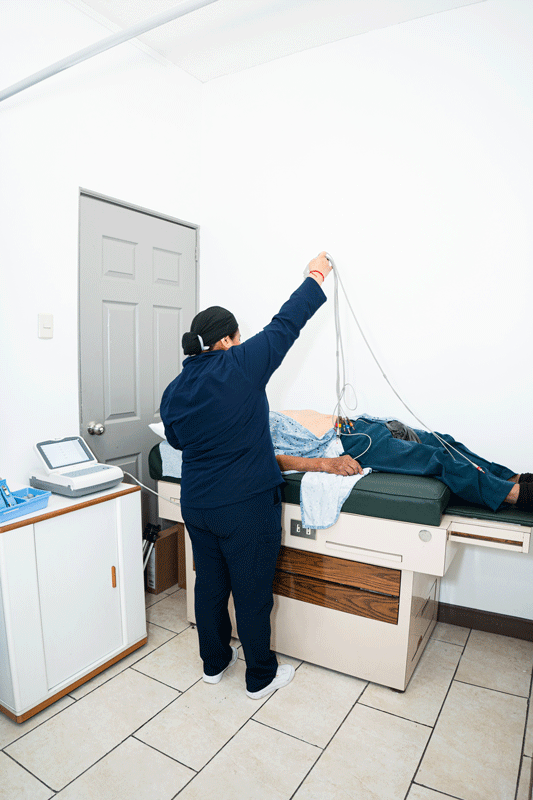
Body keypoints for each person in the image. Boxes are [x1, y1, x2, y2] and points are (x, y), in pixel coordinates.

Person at [160, 253, 332, 699]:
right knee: (252, 592)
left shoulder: (174, 390)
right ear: (225, 340)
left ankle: (214, 663)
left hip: (198, 506)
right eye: (237, 336)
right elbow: (286, 323)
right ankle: (260, 677)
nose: (242, 341)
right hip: (246, 507)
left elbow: (177, 441)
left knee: (210, 587)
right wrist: (316, 275)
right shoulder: (239, 364)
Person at [271, 411, 533, 512]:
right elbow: (268, 460)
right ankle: (515, 495)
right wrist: (326, 464)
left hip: (359, 425)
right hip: (347, 444)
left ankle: (513, 479)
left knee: (443, 442)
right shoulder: (249, 431)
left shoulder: (255, 405)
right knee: (436, 459)